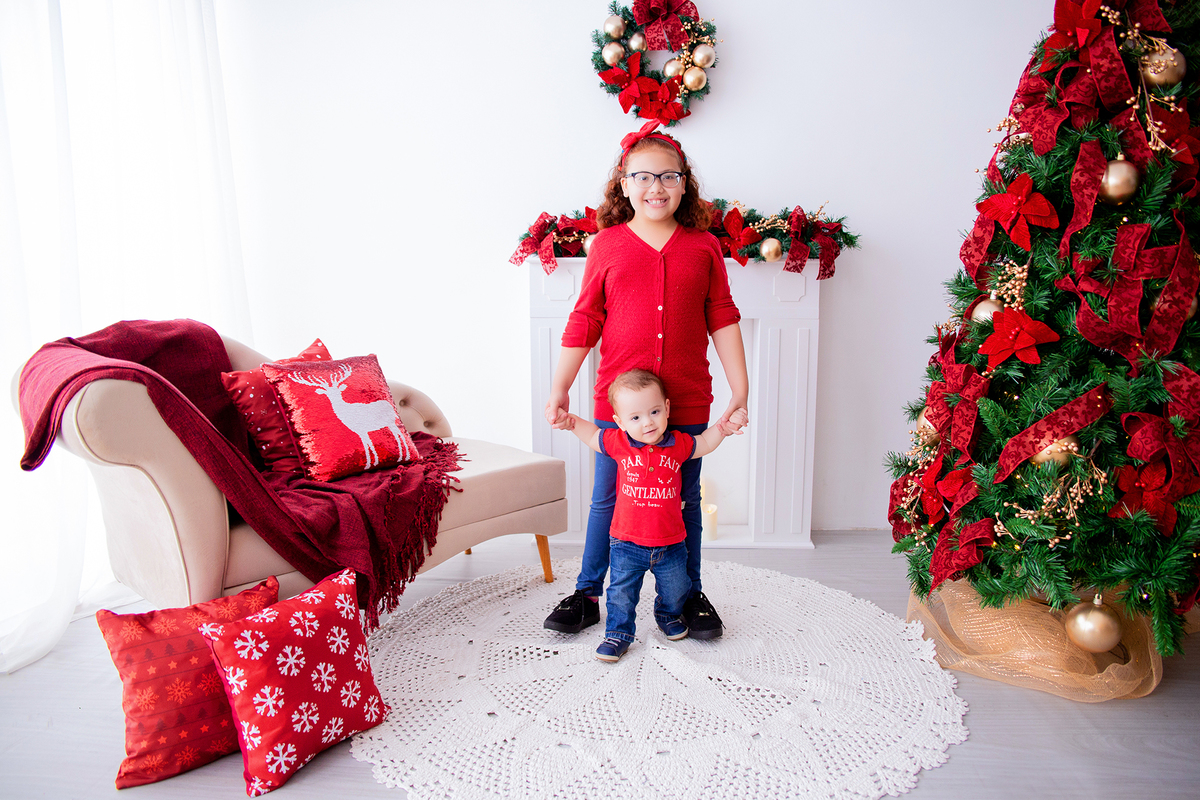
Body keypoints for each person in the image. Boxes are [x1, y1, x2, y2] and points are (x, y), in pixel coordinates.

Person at [543, 120, 749, 641]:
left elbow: (722, 317)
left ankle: (688, 596)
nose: (656, 187)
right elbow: (585, 318)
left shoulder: (703, 246)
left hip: (686, 400)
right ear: (624, 183)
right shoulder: (607, 245)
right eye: (643, 176)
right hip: (622, 404)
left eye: (669, 176)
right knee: (608, 499)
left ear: (685, 185)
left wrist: (740, 391)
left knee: (684, 500)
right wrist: (560, 387)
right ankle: (589, 593)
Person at [558, 370, 747, 661]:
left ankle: (668, 614)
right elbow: (594, 436)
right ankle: (617, 634)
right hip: (626, 544)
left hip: (671, 544)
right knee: (621, 593)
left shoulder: (679, 444)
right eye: (635, 418)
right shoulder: (619, 444)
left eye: (655, 411)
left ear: (667, 409)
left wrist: (723, 427)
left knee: (677, 588)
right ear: (620, 422)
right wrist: (571, 423)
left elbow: (706, 443)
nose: (647, 422)